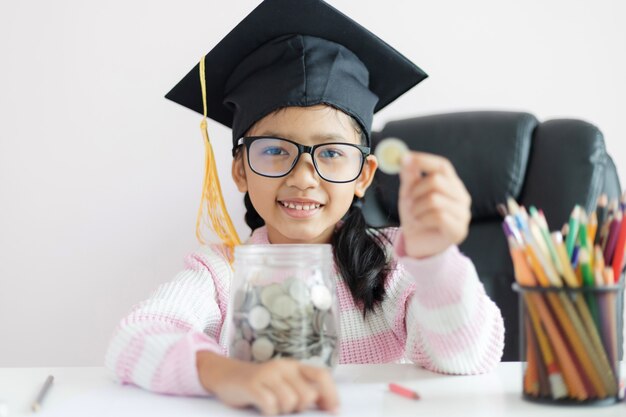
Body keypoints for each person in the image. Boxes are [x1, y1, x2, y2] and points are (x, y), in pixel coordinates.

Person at [105, 0, 505, 415]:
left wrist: (435, 260)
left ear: (364, 175)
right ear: (240, 169)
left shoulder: (393, 263)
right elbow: (134, 338)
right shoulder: (223, 273)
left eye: (331, 153)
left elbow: (466, 359)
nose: (303, 177)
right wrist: (227, 373)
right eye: (275, 150)